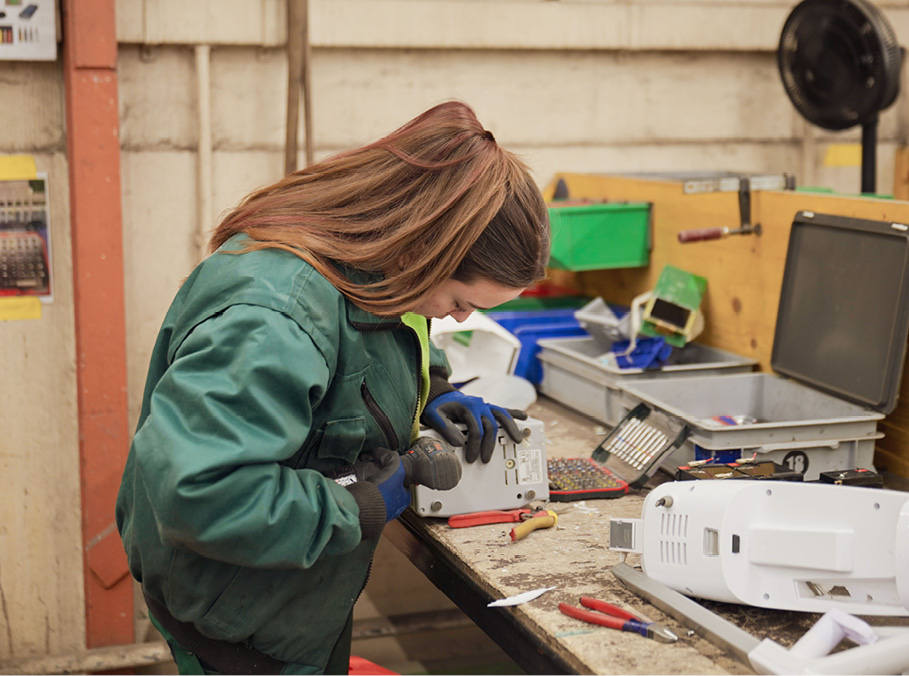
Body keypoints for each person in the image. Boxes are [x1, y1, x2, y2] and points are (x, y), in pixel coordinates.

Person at [115, 100, 551, 675]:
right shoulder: (272, 320)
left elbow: (401, 325)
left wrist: (435, 387)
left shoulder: (379, 264)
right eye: (461, 303)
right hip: (240, 626)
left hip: (298, 597)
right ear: (427, 250)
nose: (459, 319)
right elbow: (201, 496)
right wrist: (354, 503)